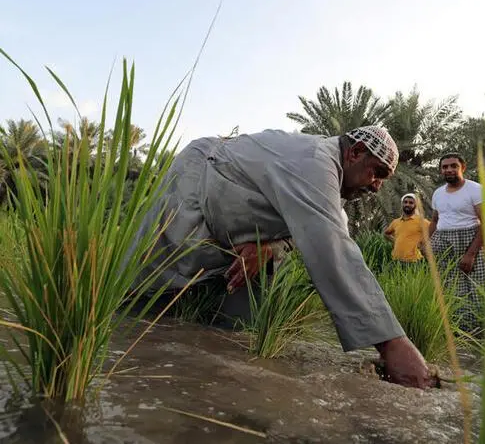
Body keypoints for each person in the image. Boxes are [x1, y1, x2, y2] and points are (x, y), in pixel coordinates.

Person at [129, 126, 437, 389]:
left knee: (236, 322)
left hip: (233, 236)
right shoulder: (315, 161)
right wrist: (392, 343)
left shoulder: (331, 200)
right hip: (195, 178)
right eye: (377, 172)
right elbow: (332, 250)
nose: (377, 185)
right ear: (355, 153)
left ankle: (208, 369)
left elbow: (311, 235)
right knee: (150, 279)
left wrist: (270, 247)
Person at [429, 153, 484, 333]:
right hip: (443, 242)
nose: (449, 170)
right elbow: (435, 221)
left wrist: (471, 253)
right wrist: (426, 243)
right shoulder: (438, 193)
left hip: (469, 240)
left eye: (453, 165)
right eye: (445, 167)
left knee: (476, 286)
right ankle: (458, 329)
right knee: (449, 286)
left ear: (463, 167)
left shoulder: (475, 190)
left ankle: (479, 330)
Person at [384, 193, 430, 263]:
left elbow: (434, 231)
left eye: (411, 203)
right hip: (396, 260)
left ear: (415, 205)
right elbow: (386, 234)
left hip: (414, 261)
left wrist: (423, 244)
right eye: (405, 202)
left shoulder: (422, 221)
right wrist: (395, 241)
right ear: (402, 204)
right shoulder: (395, 222)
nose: (407, 204)